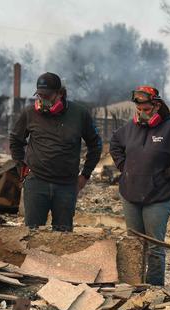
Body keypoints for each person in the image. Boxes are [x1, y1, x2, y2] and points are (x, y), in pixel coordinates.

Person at [110, 86, 170, 286]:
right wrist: (123, 165)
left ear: (157, 106)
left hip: (158, 197)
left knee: (154, 247)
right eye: (139, 110)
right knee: (134, 244)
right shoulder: (129, 129)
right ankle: (134, 285)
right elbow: (115, 143)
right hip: (130, 194)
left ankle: (153, 287)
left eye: (146, 110)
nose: (142, 114)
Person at [9, 72, 102, 232]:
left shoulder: (79, 114)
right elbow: (15, 141)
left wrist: (85, 175)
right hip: (36, 182)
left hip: (66, 185)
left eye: (47, 95)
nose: (43, 100)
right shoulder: (29, 113)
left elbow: (96, 144)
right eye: (39, 95)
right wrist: (22, 170)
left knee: (63, 235)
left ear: (60, 93)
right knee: (32, 234)